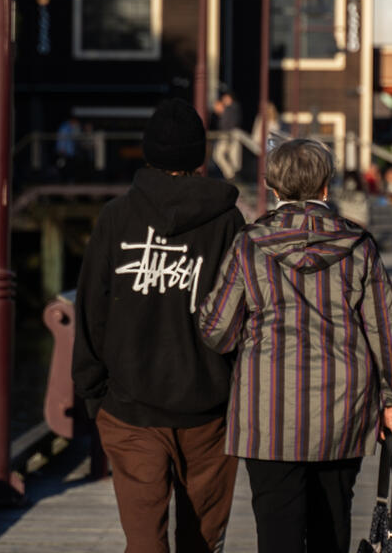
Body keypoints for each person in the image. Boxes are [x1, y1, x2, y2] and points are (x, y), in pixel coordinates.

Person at [197, 138, 392, 553]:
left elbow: (217, 330)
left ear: (274, 188)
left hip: (269, 411)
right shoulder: (358, 244)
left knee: (276, 530)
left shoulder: (250, 244)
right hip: (343, 408)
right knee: (331, 525)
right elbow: (385, 328)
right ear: (326, 188)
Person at [72, 98, 244, 553]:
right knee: (202, 542)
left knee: (144, 540)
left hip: (131, 408)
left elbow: (92, 309)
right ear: (199, 157)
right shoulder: (227, 222)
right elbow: (246, 309)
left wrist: (92, 396)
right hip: (210, 408)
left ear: (148, 153)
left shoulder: (116, 218)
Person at [211, 90, 243, 181]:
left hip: (228, 135)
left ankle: (231, 175)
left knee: (219, 155)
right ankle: (231, 174)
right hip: (227, 135)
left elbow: (227, 123)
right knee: (224, 156)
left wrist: (222, 111)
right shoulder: (233, 108)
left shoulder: (231, 108)